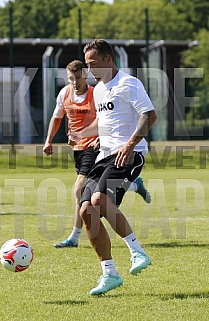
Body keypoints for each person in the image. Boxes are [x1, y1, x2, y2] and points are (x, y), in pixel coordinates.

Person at [72, 39, 157, 295]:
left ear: (109, 60)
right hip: (104, 157)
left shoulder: (128, 83)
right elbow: (105, 121)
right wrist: (82, 134)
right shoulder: (98, 89)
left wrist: (130, 145)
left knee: (98, 199)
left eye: (93, 63)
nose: (90, 69)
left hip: (129, 155)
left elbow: (149, 115)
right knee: (86, 209)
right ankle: (109, 273)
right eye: (87, 64)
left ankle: (137, 252)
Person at [43, 60, 151, 249]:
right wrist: (49, 140)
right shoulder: (64, 93)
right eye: (71, 78)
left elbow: (110, 119)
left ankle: (74, 237)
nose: (75, 82)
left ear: (84, 75)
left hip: (95, 147)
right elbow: (57, 117)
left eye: (78, 77)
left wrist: (100, 136)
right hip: (78, 147)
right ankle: (134, 185)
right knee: (91, 195)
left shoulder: (97, 91)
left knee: (80, 190)